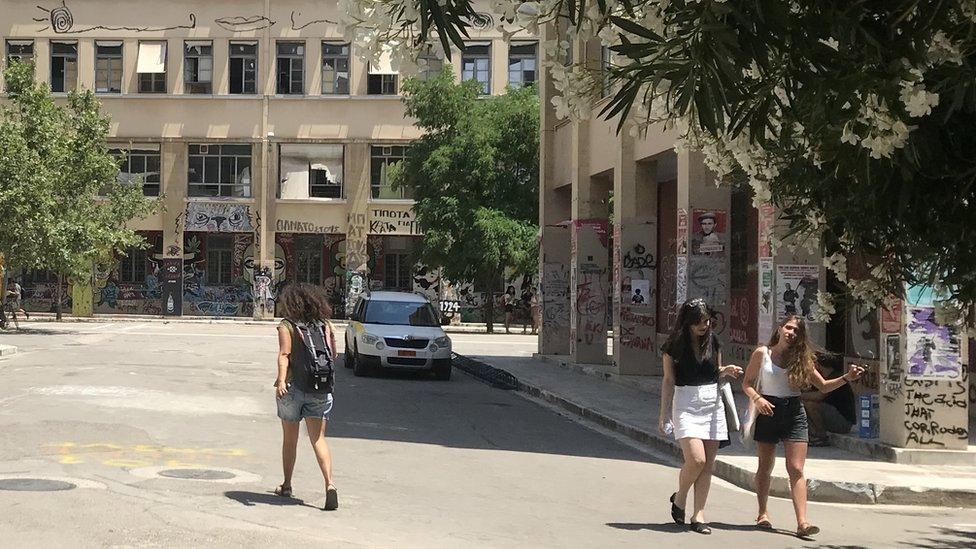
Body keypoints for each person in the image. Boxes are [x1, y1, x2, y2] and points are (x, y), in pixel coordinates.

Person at [741, 315, 865, 538]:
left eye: (796, 331)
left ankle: (802, 522)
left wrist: (847, 377)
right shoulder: (762, 353)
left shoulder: (803, 359)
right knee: (765, 465)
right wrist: (758, 399)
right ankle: (762, 513)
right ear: (779, 329)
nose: (791, 333)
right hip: (768, 408)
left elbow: (824, 386)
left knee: (796, 468)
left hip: (794, 411)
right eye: (788, 328)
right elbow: (747, 384)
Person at [659, 298, 743, 535]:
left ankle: (699, 515)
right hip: (685, 402)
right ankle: (680, 498)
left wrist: (725, 370)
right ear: (687, 323)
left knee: (708, 464)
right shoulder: (673, 345)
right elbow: (668, 380)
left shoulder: (714, 341)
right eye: (699, 322)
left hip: (712, 403)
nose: (704, 326)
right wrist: (663, 414)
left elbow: (715, 372)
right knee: (696, 460)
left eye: (707, 321)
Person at [273, 283, 339, 511]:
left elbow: (284, 355)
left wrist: (281, 380)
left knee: (290, 439)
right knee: (318, 439)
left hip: (292, 389)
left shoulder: (287, 326)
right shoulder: (326, 325)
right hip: (320, 389)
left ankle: (288, 485)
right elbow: (333, 355)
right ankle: (330, 484)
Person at [801, 352, 856, 446]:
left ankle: (821, 436)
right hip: (833, 417)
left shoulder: (835, 377)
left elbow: (819, 396)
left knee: (810, 405)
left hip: (843, 422)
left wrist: (796, 396)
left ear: (817, 364)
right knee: (803, 405)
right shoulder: (824, 377)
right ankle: (812, 434)